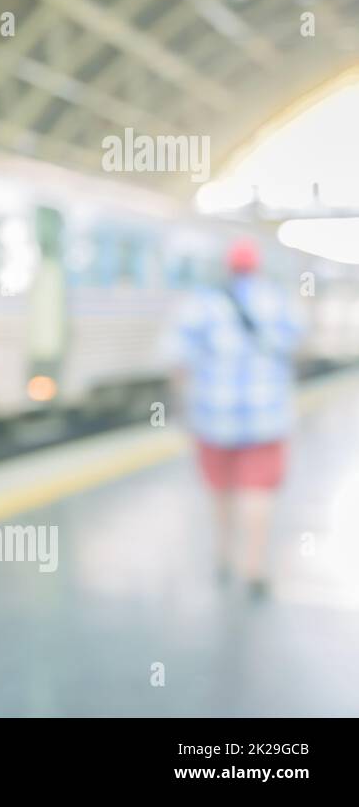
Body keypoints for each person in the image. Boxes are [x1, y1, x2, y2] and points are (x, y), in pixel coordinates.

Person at [175, 238, 304, 599]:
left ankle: (223, 557)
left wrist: (182, 404)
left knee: (221, 490)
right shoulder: (278, 300)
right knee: (257, 492)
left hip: (213, 417)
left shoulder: (201, 303)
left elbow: (179, 356)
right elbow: (297, 347)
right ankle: (255, 568)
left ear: (227, 266)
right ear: (257, 266)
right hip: (267, 418)